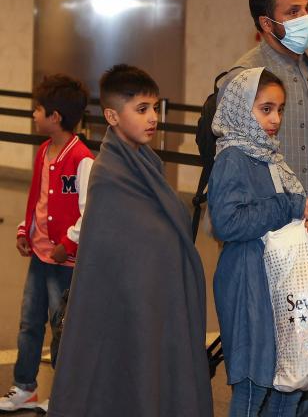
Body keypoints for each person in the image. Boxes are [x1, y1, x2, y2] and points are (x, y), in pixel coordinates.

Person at [47, 65, 213, 417]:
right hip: (128, 309)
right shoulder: (109, 176)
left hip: (154, 302)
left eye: (155, 108)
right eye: (141, 109)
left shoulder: (146, 162)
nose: (153, 117)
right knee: (129, 385)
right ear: (112, 116)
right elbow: (115, 257)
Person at [208, 67, 308, 417]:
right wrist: (288, 205)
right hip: (247, 278)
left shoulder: (268, 155)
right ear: (242, 109)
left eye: (280, 110)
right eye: (265, 109)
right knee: (253, 386)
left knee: (287, 384)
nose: (275, 119)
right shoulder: (232, 157)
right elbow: (228, 223)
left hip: (275, 278)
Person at [0, 75, 92, 412]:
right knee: (29, 322)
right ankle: (25, 387)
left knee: (63, 328)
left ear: (55, 116)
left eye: (37, 110)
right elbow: (37, 200)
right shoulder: (42, 151)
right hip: (39, 257)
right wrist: (25, 230)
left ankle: (66, 393)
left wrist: (68, 244)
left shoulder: (81, 159)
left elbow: (89, 211)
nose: (33, 115)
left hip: (63, 263)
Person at [219, 0, 308, 215]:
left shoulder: (306, 66)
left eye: (307, 9)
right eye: (293, 12)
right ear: (266, 23)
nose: (305, 18)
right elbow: (233, 165)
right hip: (270, 225)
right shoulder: (245, 76)